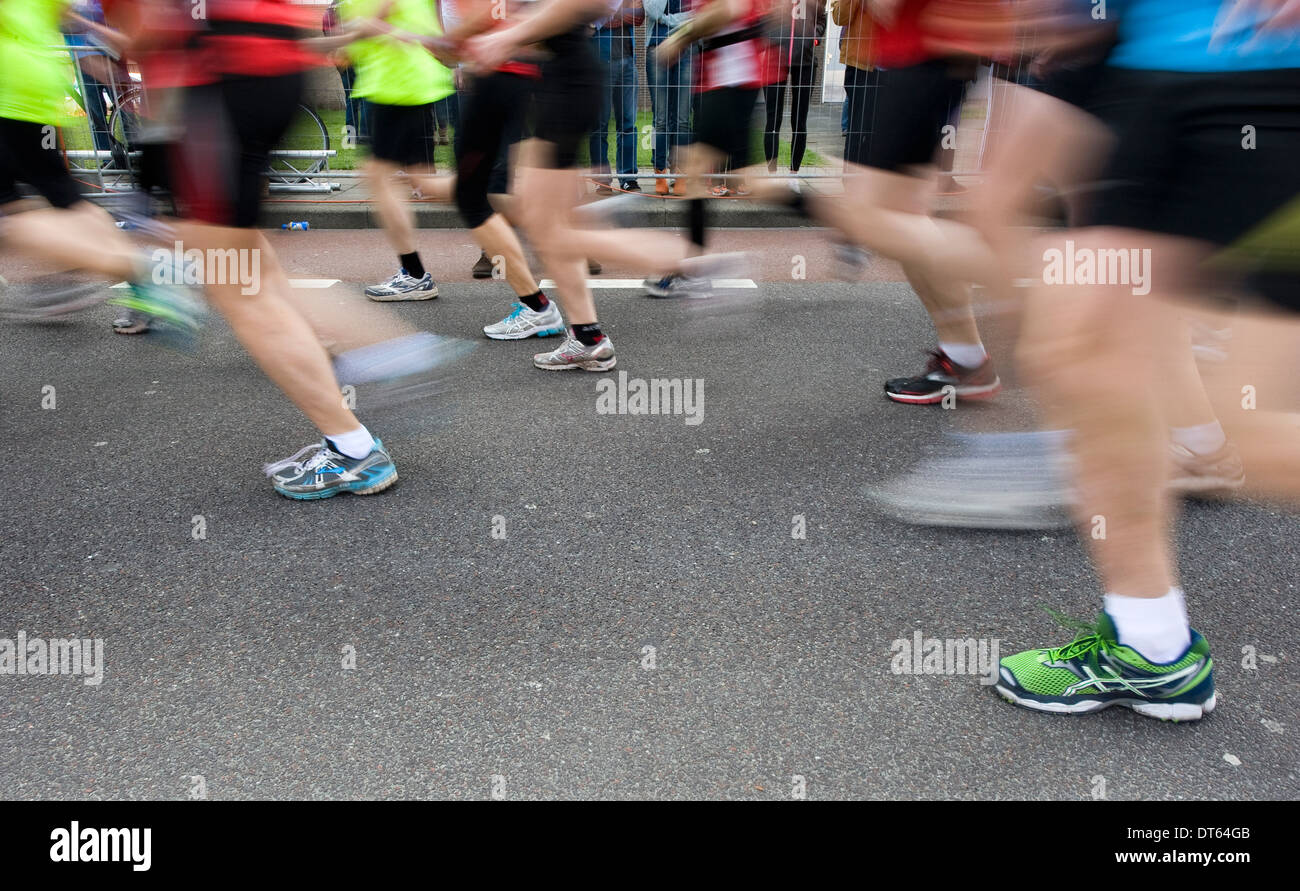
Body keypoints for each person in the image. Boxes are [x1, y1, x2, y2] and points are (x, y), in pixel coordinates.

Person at [991, 0, 1300, 720]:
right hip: (1146, 69)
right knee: (1077, 352)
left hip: (1271, 79)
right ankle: (1153, 647)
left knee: (1252, 433)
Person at [338, 0, 454, 301]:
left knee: (379, 177)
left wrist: (356, 33)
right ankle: (505, 200)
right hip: (404, 81)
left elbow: (374, 20)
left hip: (395, 84)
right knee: (422, 181)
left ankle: (415, 275)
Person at [763, 0, 825, 183]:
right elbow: (761, 14)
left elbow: (822, 18)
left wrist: (813, 37)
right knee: (773, 120)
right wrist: (769, 39)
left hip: (805, 61)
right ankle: (772, 175)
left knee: (799, 121)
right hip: (775, 60)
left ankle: (794, 175)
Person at [589, 0, 644, 192]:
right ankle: (602, 180)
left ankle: (628, 178)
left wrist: (611, 14)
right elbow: (591, 16)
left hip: (628, 61)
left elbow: (639, 16)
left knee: (628, 123)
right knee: (599, 124)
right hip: (600, 61)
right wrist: (615, 13)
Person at [645, 0, 693, 195]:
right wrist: (675, 20)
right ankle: (660, 172)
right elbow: (653, 11)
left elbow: (696, 14)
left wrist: (667, 19)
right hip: (657, 50)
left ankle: (681, 173)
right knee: (661, 119)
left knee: (682, 119)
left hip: (685, 51)